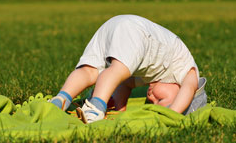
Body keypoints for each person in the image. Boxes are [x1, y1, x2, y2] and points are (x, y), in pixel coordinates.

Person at [49, 15, 207, 123]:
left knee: (90, 71)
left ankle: (61, 98)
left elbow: (125, 84)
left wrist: (120, 108)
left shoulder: (154, 77)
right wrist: (172, 114)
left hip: (113, 25)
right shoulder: (187, 72)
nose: (151, 98)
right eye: (160, 99)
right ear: (179, 90)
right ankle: (96, 106)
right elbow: (189, 90)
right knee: (118, 70)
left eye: (151, 102)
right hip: (138, 33)